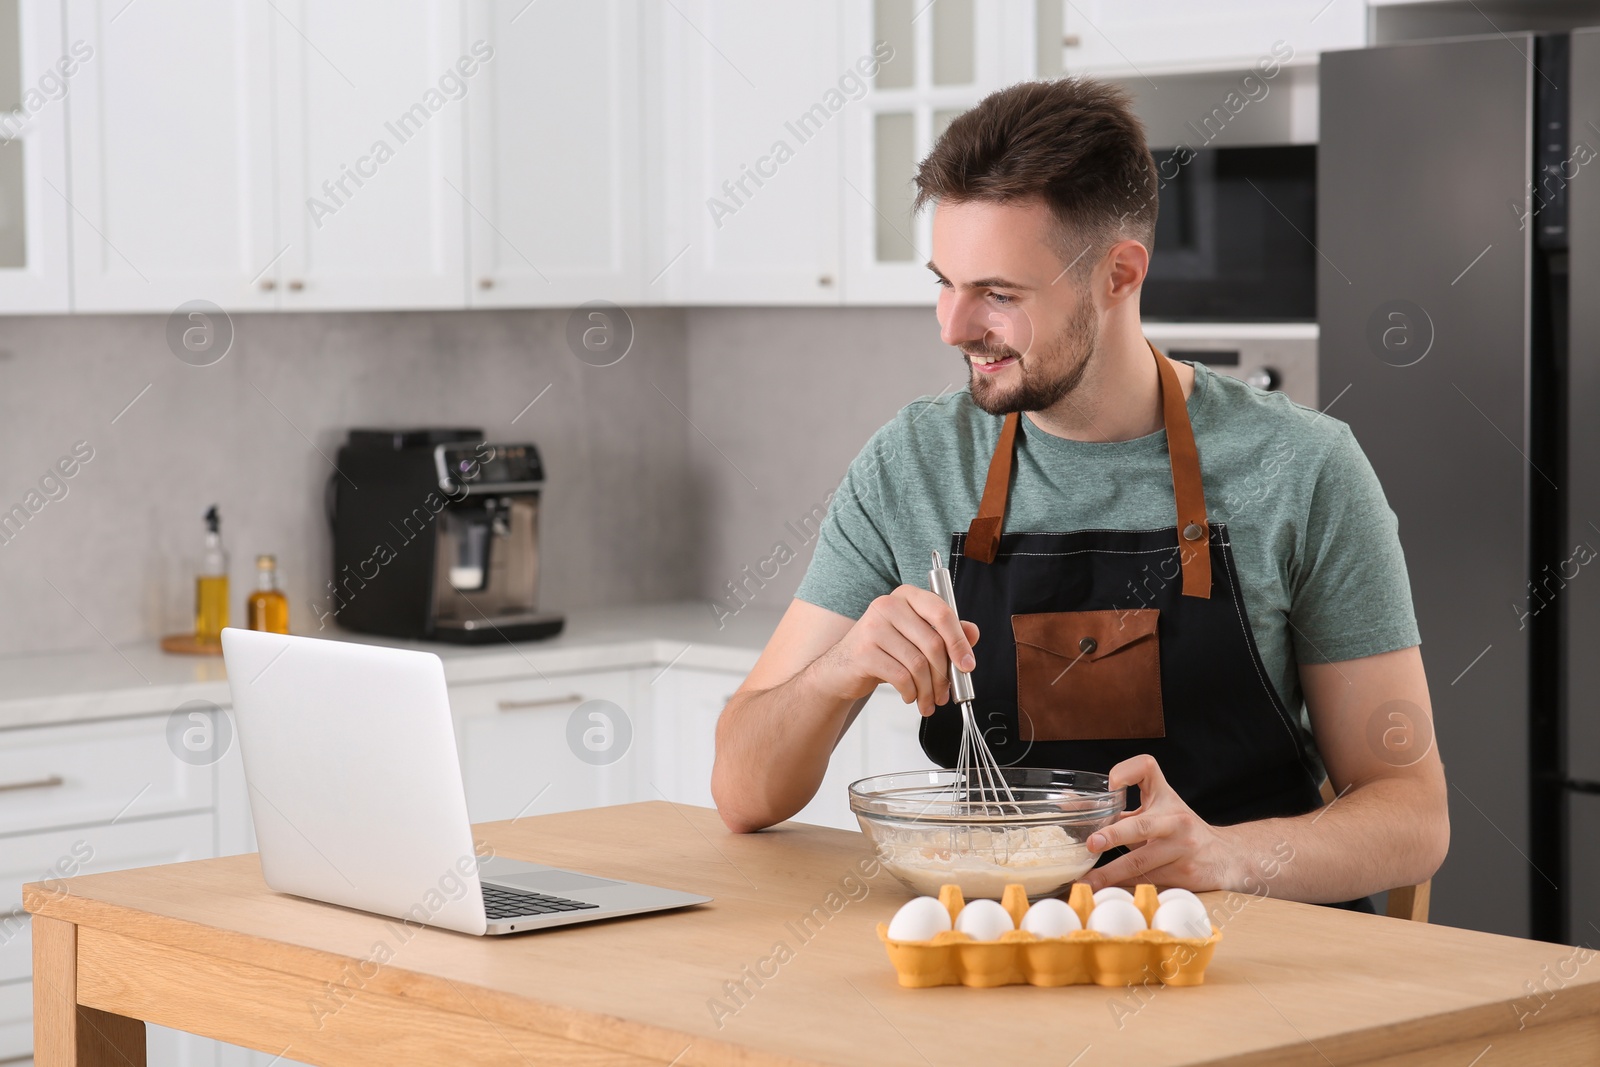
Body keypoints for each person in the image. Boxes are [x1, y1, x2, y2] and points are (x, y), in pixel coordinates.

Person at [710, 78, 1448, 907]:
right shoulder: (912, 463)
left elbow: (1412, 814)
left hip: (1248, 965)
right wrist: (838, 671)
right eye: (943, 282)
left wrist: (1220, 858)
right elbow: (743, 791)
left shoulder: (1303, 469)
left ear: (1119, 274)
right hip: (992, 955)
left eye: (998, 294)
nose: (953, 327)